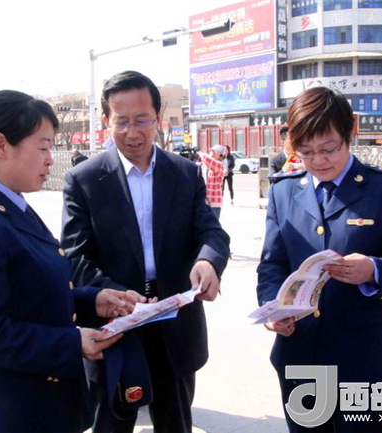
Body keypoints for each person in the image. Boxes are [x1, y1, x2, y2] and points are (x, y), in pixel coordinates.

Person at [0, 90, 147, 433]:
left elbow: (29, 295)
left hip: (40, 405)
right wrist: (72, 342)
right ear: (1, 146)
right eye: (43, 147)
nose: (50, 160)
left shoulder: (9, 203)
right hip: (5, 412)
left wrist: (92, 300)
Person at [61, 70, 230, 433]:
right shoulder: (85, 179)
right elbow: (75, 256)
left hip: (174, 322)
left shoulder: (184, 173)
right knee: (111, 424)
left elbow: (210, 231)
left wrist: (207, 261)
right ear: (106, 121)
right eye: (121, 121)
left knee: (176, 423)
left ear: (158, 117)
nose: (132, 132)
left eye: (142, 120)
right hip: (116, 325)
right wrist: (115, 295)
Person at [256, 87, 382, 432]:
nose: (318, 160)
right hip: (301, 356)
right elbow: (272, 265)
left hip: (366, 360)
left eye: (328, 148)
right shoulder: (284, 190)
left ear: (350, 133)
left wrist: (373, 269)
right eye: (306, 151)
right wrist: (274, 310)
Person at [198, 144, 226, 220]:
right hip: (206, 201)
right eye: (211, 151)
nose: (211, 153)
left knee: (213, 224)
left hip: (214, 203)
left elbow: (208, 160)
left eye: (214, 152)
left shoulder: (220, 165)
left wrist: (199, 153)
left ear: (220, 155)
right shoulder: (206, 166)